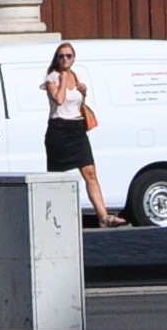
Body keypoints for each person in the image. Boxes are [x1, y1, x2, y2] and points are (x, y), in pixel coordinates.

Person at [42, 42, 126, 228]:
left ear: (74, 58)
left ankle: (103, 216)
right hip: (59, 130)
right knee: (57, 176)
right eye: (61, 56)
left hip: (77, 129)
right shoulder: (52, 78)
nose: (65, 59)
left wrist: (83, 92)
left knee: (90, 172)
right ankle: (53, 217)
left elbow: (77, 103)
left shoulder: (75, 75)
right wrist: (63, 80)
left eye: (69, 56)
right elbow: (59, 100)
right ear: (56, 59)